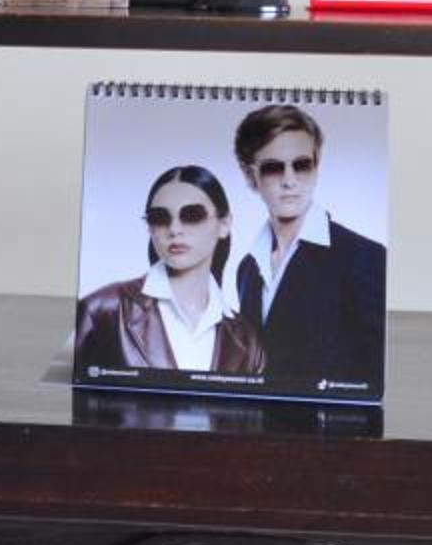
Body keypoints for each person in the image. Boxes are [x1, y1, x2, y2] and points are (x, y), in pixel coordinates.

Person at [229, 103, 387, 385]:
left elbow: (374, 378)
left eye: (302, 165)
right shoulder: (247, 269)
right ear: (250, 177)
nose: (289, 181)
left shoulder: (365, 258)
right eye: (273, 168)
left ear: (317, 166)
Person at [71, 165, 264, 376]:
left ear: (224, 224)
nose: (174, 229)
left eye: (192, 215)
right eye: (159, 217)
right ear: (149, 227)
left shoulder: (247, 341)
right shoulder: (102, 311)